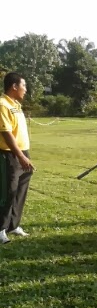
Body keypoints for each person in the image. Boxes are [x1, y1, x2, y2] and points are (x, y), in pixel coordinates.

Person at [0, 72, 34, 244]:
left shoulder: (16, 105)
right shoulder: (2, 104)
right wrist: (20, 156)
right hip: (10, 155)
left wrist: (24, 155)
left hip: (23, 153)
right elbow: (6, 133)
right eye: (24, 86)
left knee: (21, 190)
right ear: (14, 86)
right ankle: (1, 228)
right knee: (8, 191)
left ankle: (14, 225)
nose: (25, 90)